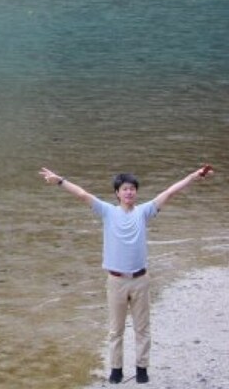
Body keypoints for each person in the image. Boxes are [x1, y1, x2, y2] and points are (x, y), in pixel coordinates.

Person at [39, 164, 213, 385]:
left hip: (140, 279)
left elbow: (170, 192)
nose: (129, 192)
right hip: (116, 280)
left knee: (142, 328)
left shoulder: (144, 211)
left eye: (132, 189)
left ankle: (142, 369)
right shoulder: (107, 211)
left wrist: (193, 176)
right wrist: (60, 181)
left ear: (136, 192)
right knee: (116, 330)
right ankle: (116, 369)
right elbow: (83, 194)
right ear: (117, 193)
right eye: (125, 189)